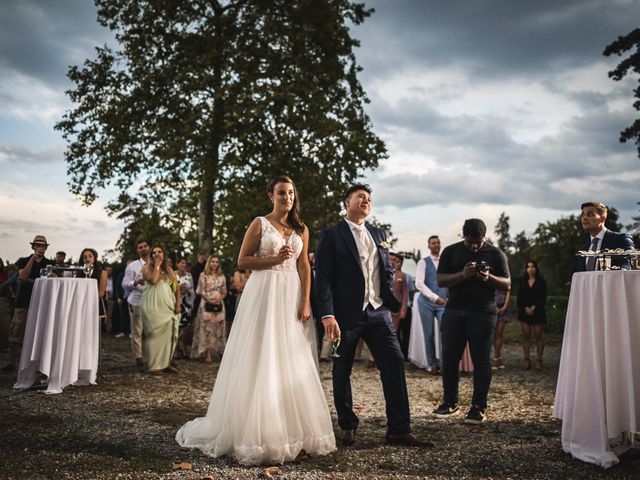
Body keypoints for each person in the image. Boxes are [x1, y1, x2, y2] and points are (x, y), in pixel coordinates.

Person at [176, 175, 336, 465]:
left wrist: (305, 302)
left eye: (290, 193)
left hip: (291, 295)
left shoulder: (301, 229)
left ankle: (294, 433)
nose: (286, 197)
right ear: (271, 196)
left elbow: (304, 266)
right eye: (281, 193)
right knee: (263, 355)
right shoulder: (260, 223)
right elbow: (243, 261)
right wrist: (274, 260)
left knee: (291, 357)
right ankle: (259, 433)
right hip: (264, 292)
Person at [315, 183, 430, 448]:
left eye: (369, 199)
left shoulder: (379, 233)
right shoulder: (331, 235)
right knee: (342, 370)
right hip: (345, 315)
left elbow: (386, 269)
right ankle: (348, 424)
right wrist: (328, 314)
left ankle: (399, 429)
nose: (366, 201)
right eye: (361, 197)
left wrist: (387, 298)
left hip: (378, 312)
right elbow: (324, 279)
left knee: (394, 363)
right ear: (347, 202)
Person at [434, 219, 510, 425]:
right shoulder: (451, 252)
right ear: (463, 236)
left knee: (481, 360)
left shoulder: (495, 254)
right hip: (454, 310)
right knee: (449, 359)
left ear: (484, 238)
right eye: (470, 242)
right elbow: (440, 280)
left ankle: (478, 407)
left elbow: (507, 283)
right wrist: (463, 274)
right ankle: (450, 402)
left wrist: (488, 278)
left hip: (483, 313)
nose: (475, 246)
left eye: (478, 242)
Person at [3, 235, 54, 371]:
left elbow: (50, 280)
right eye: (38, 245)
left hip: (41, 301)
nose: (40, 248)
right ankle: (12, 362)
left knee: (38, 332)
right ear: (33, 247)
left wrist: (33, 281)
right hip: (23, 301)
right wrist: (33, 259)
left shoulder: (49, 263)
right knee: (16, 330)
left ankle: (34, 363)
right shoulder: (23, 260)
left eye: (43, 245)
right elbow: (23, 276)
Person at [140, 245, 181, 375]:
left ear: (164, 254)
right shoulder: (146, 268)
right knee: (154, 334)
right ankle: (153, 366)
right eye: (154, 252)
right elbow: (154, 280)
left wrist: (178, 304)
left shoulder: (169, 270)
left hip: (167, 306)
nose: (157, 254)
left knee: (168, 334)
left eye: (159, 252)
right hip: (152, 305)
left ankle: (165, 363)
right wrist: (157, 265)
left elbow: (177, 289)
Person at [416, 235, 447, 375]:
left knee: (446, 333)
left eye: (437, 242)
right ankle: (432, 364)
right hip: (426, 303)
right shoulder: (423, 262)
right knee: (428, 334)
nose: (436, 245)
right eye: (433, 243)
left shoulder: (446, 261)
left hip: (444, 303)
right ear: (429, 246)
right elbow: (419, 284)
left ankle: (446, 363)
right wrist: (435, 298)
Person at [575, 201, 634, 271]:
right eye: (583, 214)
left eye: (590, 214)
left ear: (602, 218)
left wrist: (622, 269)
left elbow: (631, 261)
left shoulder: (621, 240)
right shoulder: (583, 249)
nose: (584, 218)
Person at [191, 255, 227, 364]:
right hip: (206, 304)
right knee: (206, 329)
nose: (215, 264)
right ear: (209, 263)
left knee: (218, 329)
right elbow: (200, 291)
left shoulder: (222, 276)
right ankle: (207, 354)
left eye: (216, 262)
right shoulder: (203, 275)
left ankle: (220, 352)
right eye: (213, 262)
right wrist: (209, 300)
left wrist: (219, 299)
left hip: (219, 304)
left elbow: (225, 291)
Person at [122, 239, 150, 367]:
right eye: (140, 247)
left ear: (149, 248)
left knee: (152, 331)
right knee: (137, 331)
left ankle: (152, 357)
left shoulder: (156, 264)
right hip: (136, 301)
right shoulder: (132, 266)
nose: (143, 249)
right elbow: (124, 284)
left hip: (153, 302)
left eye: (145, 246)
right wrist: (135, 283)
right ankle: (138, 357)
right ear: (137, 250)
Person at [517, 261, 547, 372]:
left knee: (538, 336)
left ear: (536, 268)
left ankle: (539, 361)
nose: (530, 269)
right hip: (524, 312)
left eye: (532, 266)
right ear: (526, 269)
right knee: (526, 336)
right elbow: (519, 298)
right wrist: (525, 308)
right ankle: (526, 359)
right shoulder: (523, 282)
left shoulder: (541, 282)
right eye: (528, 267)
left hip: (538, 312)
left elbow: (542, 297)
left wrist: (534, 308)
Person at [79, 248, 108, 322]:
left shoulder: (102, 273)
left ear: (94, 258)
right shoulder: (79, 272)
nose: (87, 259)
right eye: (85, 257)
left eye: (90, 256)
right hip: (80, 305)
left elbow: (101, 293)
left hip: (96, 306)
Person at [389, 252, 409, 339]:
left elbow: (405, 294)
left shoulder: (402, 275)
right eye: (390, 259)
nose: (392, 261)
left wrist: (403, 310)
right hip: (382, 308)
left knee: (393, 333)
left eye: (394, 260)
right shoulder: (381, 272)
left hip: (396, 309)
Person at [492, 287, 511, 369]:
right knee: (492, 335)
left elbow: (508, 291)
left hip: (503, 308)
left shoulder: (505, 275)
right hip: (492, 308)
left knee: (499, 333)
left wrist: (505, 306)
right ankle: (499, 357)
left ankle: (496, 358)